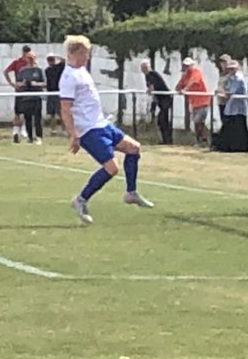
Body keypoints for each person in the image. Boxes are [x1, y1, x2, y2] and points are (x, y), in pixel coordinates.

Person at [64, 34, 154, 225]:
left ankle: (131, 193)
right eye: (85, 53)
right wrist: (74, 135)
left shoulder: (81, 71)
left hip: (102, 124)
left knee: (134, 148)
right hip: (89, 130)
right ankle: (80, 199)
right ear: (76, 52)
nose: (87, 57)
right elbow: (65, 109)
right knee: (112, 168)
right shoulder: (68, 77)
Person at [175, 57, 211, 146]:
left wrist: (185, 89)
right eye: (184, 66)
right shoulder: (185, 75)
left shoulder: (196, 72)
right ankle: (201, 141)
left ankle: (206, 139)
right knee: (196, 123)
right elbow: (178, 86)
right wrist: (180, 87)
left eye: (188, 66)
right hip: (194, 103)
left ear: (192, 66)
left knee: (198, 121)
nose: (186, 67)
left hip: (203, 101)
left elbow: (193, 82)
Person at [216, 59, 248, 153]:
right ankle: (228, 147)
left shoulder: (238, 78)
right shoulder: (230, 78)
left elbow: (230, 92)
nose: (231, 71)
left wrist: (222, 93)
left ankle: (240, 148)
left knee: (239, 128)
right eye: (230, 69)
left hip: (238, 109)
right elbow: (227, 90)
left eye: (233, 69)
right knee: (229, 128)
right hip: (230, 108)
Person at [14, 51, 46, 145]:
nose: (31, 60)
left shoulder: (39, 70)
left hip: (36, 97)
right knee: (27, 118)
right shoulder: (22, 70)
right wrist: (24, 83)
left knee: (37, 118)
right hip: (26, 97)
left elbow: (44, 83)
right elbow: (18, 84)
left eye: (33, 58)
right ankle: (30, 137)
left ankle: (39, 137)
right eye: (29, 58)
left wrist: (35, 84)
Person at [3, 45, 33, 144]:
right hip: (20, 90)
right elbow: (6, 71)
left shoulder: (31, 63)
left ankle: (24, 130)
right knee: (18, 112)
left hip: (28, 90)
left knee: (27, 111)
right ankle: (16, 132)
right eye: (25, 52)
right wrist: (12, 84)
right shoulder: (17, 62)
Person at [141, 61, 173, 145]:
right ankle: (165, 140)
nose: (142, 70)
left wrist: (150, 91)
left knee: (162, 119)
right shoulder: (147, 76)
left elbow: (152, 87)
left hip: (166, 99)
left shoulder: (152, 74)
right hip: (160, 99)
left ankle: (168, 140)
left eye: (144, 68)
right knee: (161, 121)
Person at [44, 54, 65, 136]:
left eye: (52, 60)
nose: (51, 62)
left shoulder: (59, 67)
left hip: (59, 92)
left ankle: (64, 129)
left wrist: (56, 55)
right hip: (51, 92)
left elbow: (64, 60)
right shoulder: (47, 70)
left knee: (60, 113)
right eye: (49, 60)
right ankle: (53, 130)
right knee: (51, 113)